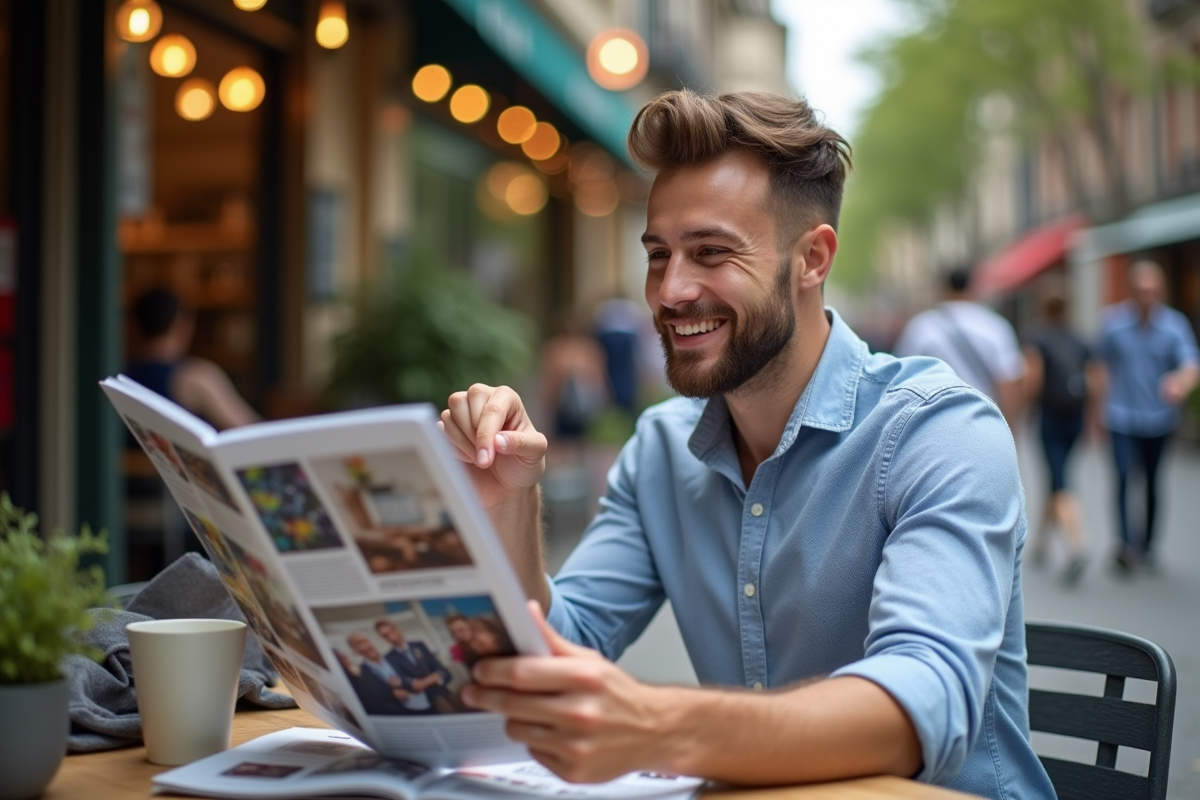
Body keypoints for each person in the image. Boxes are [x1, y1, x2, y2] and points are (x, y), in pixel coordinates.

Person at [439, 90, 1054, 798]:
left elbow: (921, 704)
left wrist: (659, 724)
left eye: (710, 253)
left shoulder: (940, 431)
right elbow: (562, 644)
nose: (671, 291)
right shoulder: (662, 447)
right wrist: (512, 497)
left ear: (812, 259)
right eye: (659, 255)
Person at [1096, 261, 1200, 572]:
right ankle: (1127, 547)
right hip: (1121, 415)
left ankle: (1148, 544)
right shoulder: (1113, 323)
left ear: (1161, 291)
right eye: (1141, 290)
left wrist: (1180, 381)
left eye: (1153, 290)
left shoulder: (1174, 325)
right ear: (1131, 291)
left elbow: (1190, 363)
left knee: (1153, 482)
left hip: (1159, 418)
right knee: (1125, 478)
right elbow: (1100, 366)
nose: (1147, 295)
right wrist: (1096, 408)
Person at [1022, 285, 1097, 584]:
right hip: (1075, 417)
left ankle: (1078, 545)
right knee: (1056, 477)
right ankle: (1040, 544)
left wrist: (1026, 409)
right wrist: (1094, 416)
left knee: (1061, 481)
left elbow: (1033, 378)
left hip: (1051, 418)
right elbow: (1095, 380)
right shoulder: (1080, 339)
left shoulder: (1036, 337)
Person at [894, 268, 1025, 428]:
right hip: (985, 421)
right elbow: (1008, 385)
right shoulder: (995, 326)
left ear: (944, 288)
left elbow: (903, 379)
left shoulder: (921, 327)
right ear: (972, 287)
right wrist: (1010, 431)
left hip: (934, 423)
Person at [124, 287, 259, 429]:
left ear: (134, 326)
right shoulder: (195, 376)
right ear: (183, 326)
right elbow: (250, 430)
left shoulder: (121, 379)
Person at [374, 619, 454, 714]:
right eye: (385, 635)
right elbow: (402, 682)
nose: (391, 637)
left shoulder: (419, 645)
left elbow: (444, 672)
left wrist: (427, 681)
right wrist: (433, 677)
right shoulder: (389, 659)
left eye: (391, 631)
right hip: (422, 706)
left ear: (398, 629)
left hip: (444, 695)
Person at [340, 633, 413, 716]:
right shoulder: (361, 675)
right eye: (360, 644)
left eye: (366, 641)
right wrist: (391, 693)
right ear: (355, 651)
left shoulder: (395, 658)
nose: (366, 645)